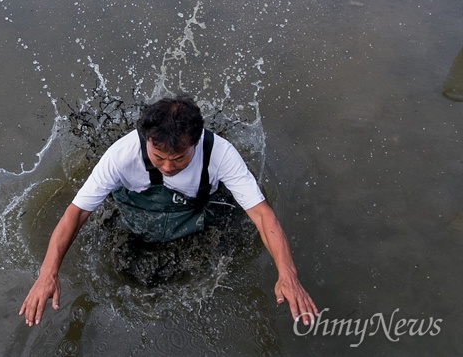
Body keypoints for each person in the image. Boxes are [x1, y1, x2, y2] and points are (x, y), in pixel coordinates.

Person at [19, 96, 318, 326]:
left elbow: (263, 215)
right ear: (147, 140)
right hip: (134, 211)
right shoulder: (122, 156)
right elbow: (77, 212)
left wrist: (287, 274)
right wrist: (48, 272)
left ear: (196, 142)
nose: (167, 167)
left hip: (193, 216)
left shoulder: (221, 154)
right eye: (159, 157)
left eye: (178, 159)